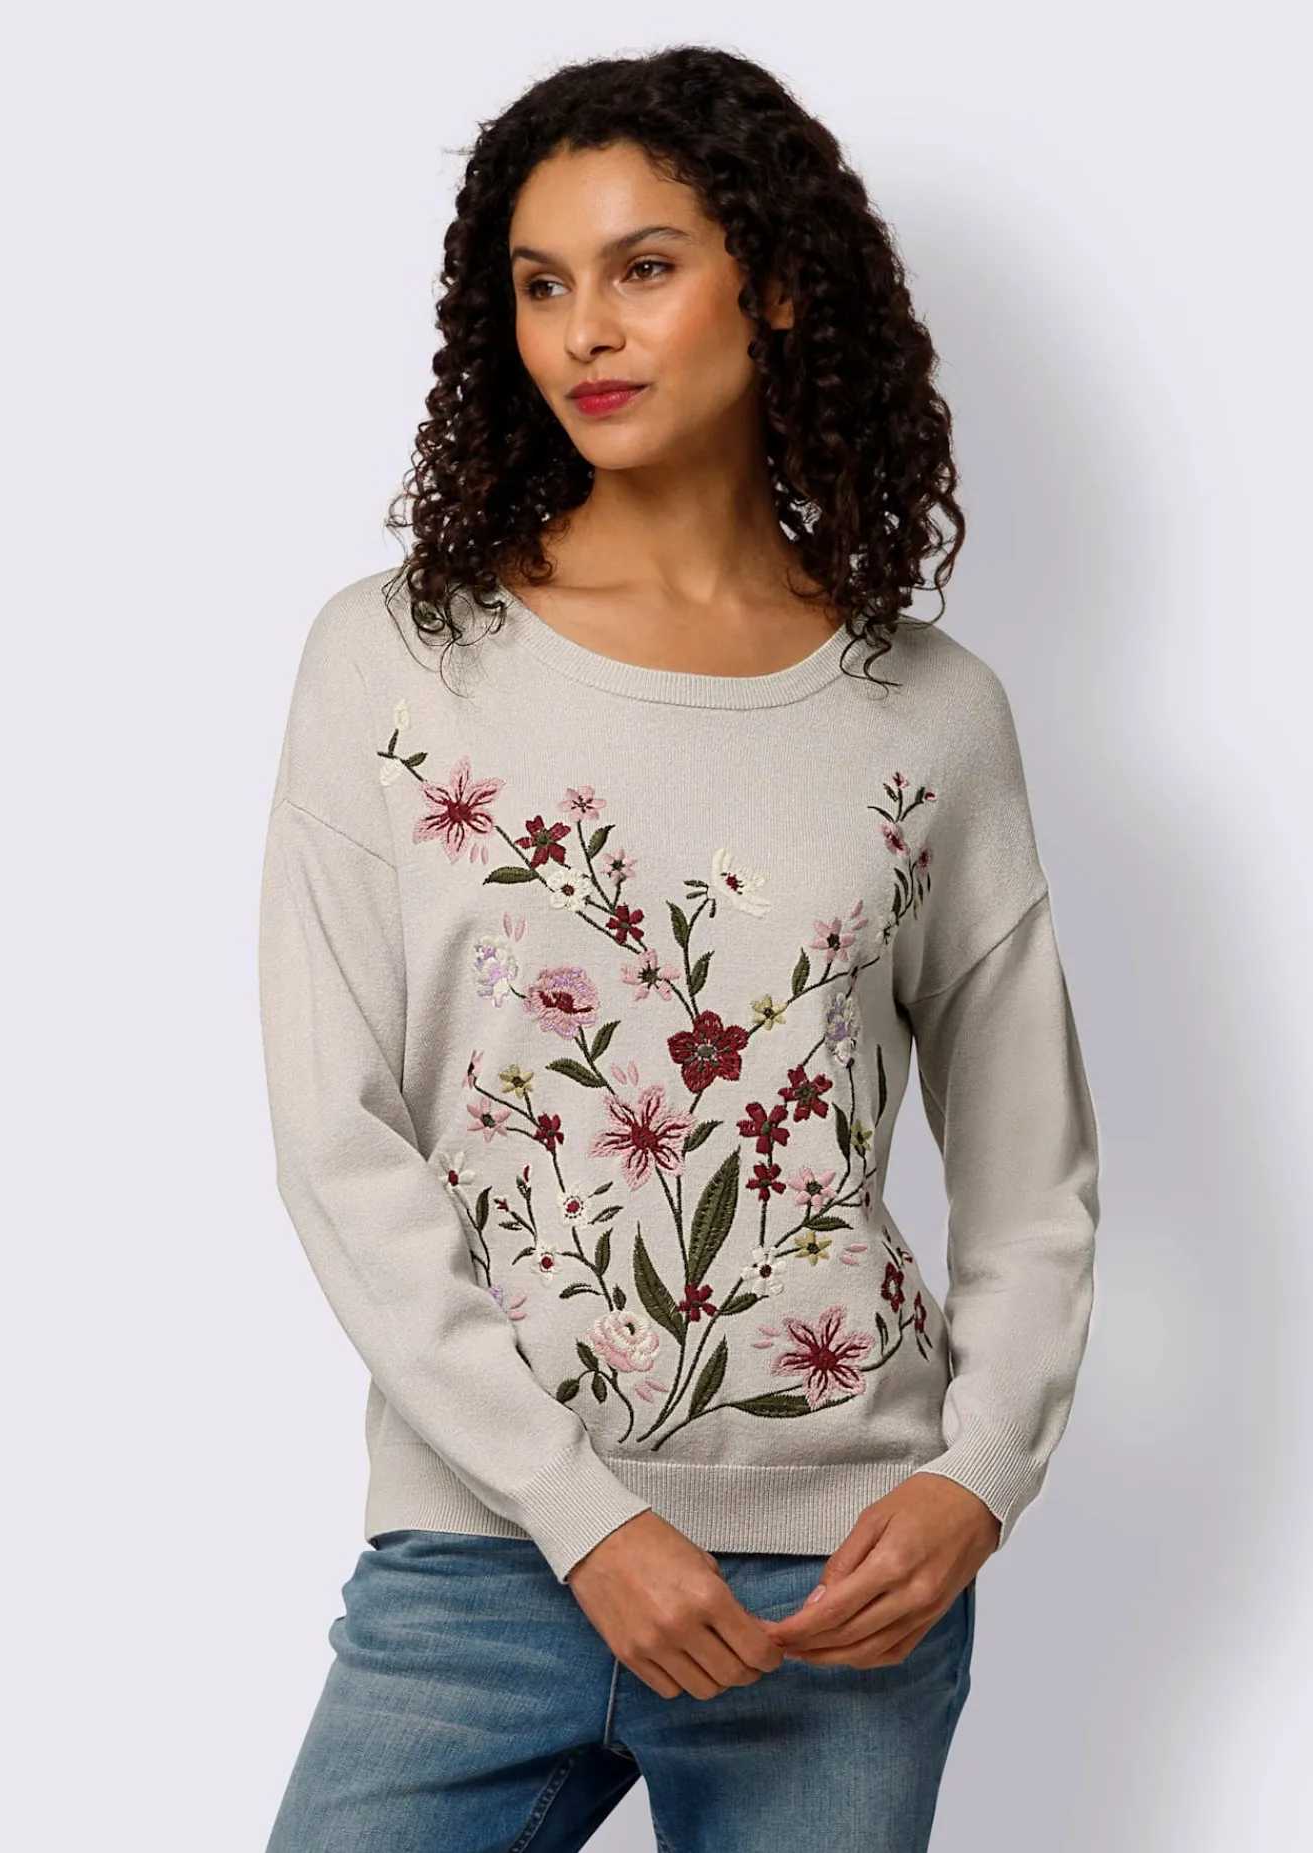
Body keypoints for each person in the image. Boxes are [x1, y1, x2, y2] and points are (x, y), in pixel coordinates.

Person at [256, 43, 1100, 1853]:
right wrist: (587, 1520)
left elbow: (1031, 1177)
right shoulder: (398, 660)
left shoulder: (927, 712)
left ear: (773, 285)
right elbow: (339, 1140)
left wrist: (977, 1478)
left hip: (842, 1586)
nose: (585, 331)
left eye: (642, 267)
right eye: (540, 283)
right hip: (486, 1560)